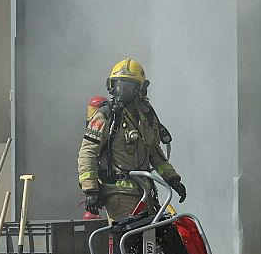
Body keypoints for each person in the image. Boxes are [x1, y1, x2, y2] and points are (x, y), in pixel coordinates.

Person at [77, 58, 185, 221]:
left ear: (140, 89)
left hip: (145, 193)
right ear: (111, 86)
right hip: (118, 195)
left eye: (128, 87)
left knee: (153, 240)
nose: (122, 91)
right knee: (129, 239)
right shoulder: (106, 116)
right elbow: (87, 153)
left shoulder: (147, 116)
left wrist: (172, 178)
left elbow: (154, 152)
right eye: (119, 86)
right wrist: (90, 189)